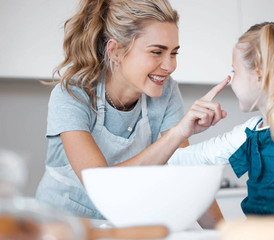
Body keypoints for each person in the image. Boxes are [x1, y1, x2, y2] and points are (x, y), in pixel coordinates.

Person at [36, 0, 228, 228]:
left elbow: (187, 175)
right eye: (157, 52)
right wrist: (177, 134)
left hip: (121, 224)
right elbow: (100, 183)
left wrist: (225, 233)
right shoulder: (72, 94)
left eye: (174, 53)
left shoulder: (166, 92)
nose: (169, 65)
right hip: (61, 226)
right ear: (115, 50)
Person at [168, 22, 274, 238]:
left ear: (259, 76)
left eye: (234, 71)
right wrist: (185, 128)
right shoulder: (250, 130)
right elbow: (185, 159)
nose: (231, 80)